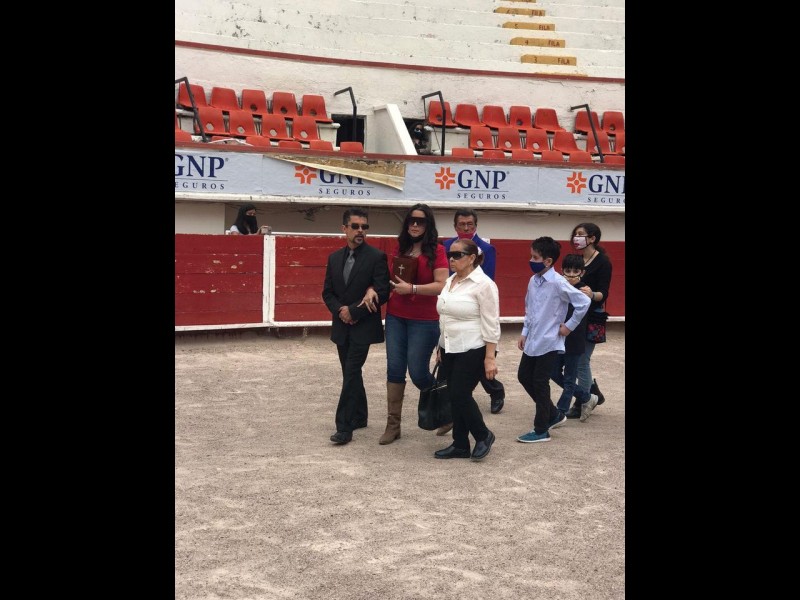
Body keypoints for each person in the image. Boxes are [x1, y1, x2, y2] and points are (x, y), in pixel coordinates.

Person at [362, 203, 449, 445]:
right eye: (411, 220)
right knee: (394, 369)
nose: (415, 225)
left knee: (418, 372)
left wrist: (412, 289)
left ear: (428, 225)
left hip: (424, 320)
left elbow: (441, 285)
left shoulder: (438, 251)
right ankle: (393, 425)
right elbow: (388, 279)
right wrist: (372, 288)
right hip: (396, 316)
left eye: (420, 221)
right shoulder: (401, 247)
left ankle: (447, 410)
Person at [321, 208, 390, 445]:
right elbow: (327, 292)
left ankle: (344, 427)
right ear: (344, 229)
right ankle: (360, 415)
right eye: (355, 226)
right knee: (350, 371)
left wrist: (354, 312)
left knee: (350, 372)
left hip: (363, 326)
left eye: (364, 227)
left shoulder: (376, 257)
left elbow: (383, 292)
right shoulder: (334, 258)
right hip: (342, 325)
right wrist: (341, 311)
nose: (361, 231)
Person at [515, 236, 591, 443]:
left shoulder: (558, 282)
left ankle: (541, 429)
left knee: (540, 383)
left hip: (549, 340)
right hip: (533, 338)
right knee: (524, 376)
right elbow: (530, 308)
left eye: (535, 257)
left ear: (548, 261)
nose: (531, 260)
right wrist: (524, 332)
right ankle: (554, 414)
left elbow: (583, 302)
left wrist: (568, 326)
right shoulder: (533, 281)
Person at [433, 238, 500, 461]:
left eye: (457, 255)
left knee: (459, 393)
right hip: (449, 346)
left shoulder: (484, 284)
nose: (451, 259)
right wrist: (440, 346)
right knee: (455, 396)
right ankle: (460, 444)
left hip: (473, 347)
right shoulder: (450, 281)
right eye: (449, 255)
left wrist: (490, 357)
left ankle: (483, 435)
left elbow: (491, 322)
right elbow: (444, 316)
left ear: (472, 258)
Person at [442, 208, 505, 414]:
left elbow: (488, 279)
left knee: (475, 361)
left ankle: (495, 391)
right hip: (452, 305)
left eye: (470, 224)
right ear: (455, 226)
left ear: (476, 226)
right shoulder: (446, 246)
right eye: (462, 224)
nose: (466, 228)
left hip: (473, 307)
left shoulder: (486, 249)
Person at [564, 222, 612, 421]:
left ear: (592, 238)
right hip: (573, 315)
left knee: (582, 359)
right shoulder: (575, 260)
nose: (576, 238)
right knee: (574, 358)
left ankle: (582, 401)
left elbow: (604, 294)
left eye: (581, 234)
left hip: (592, 316)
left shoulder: (603, 262)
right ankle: (593, 392)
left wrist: (591, 294)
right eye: (575, 234)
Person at [549, 253, 596, 422]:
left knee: (569, 378)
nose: (571, 274)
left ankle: (560, 411)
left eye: (575, 271)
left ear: (582, 272)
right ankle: (586, 396)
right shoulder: (559, 286)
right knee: (553, 372)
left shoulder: (584, 291)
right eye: (568, 270)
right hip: (558, 338)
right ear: (562, 270)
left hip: (575, 339)